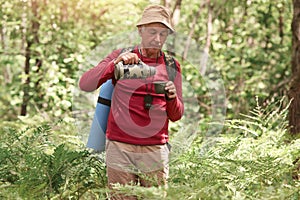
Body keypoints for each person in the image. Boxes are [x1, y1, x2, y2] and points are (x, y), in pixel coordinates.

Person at [79, 4, 184, 199]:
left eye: (163, 34)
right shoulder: (121, 57)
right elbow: (85, 83)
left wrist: (172, 97)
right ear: (140, 30)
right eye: (152, 32)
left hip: (155, 149)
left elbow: (177, 115)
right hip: (120, 147)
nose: (158, 39)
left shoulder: (171, 65)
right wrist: (114, 64)